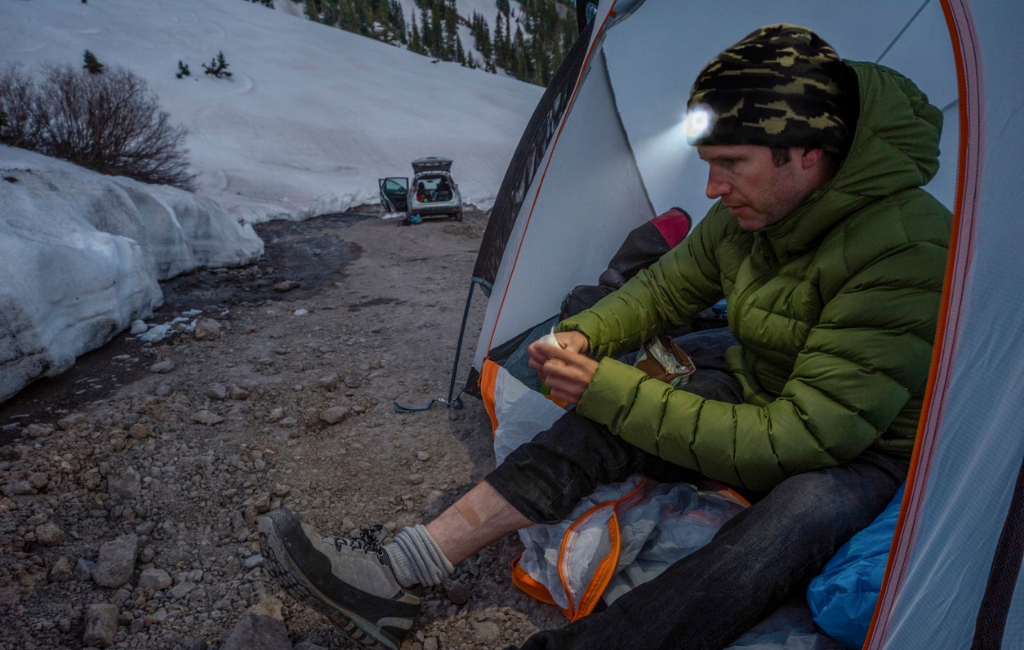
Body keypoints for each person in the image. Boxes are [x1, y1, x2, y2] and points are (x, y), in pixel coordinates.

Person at [258, 24, 950, 650]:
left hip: (861, 451)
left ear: (807, 153)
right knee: (624, 400)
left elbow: (805, 438)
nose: (711, 188)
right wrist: (584, 334)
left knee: (793, 519)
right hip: (759, 383)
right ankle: (400, 568)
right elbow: (665, 288)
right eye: (707, 162)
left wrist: (614, 390)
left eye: (732, 162)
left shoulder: (904, 248)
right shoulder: (754, 213)